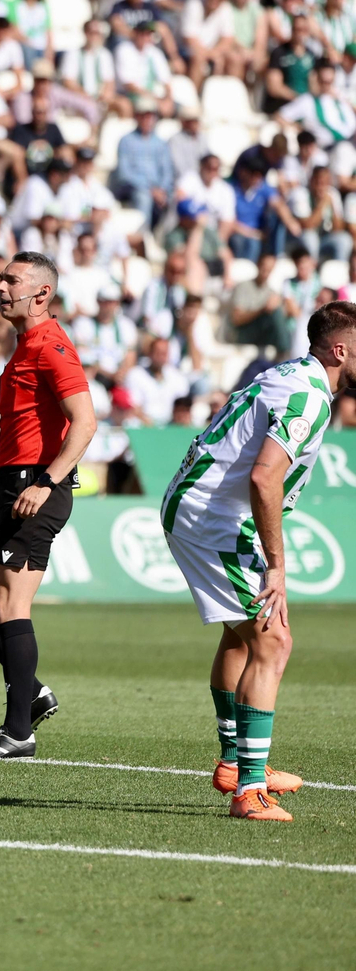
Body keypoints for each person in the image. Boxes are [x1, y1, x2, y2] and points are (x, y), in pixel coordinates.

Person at [160, 302, 356, 821]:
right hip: (214, 518)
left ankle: (235, 762)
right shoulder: (312, 397)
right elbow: (264, 478)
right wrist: (277, 565)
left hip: (199, 505)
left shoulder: (285, 374)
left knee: (241, 635)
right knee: (274, 639)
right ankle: (249, 790)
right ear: (340, 350)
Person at [0, 252, 98, 760]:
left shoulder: (51, 345)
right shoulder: (24, 345)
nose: (1, 286)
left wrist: (47, 482)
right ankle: (30, 691)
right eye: (2, 278)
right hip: (10, 487)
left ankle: (17, 733)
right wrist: (0, 485)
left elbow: (86, 421)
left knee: (13, 604)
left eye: (12, 280)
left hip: (37, 489)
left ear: (42, 294)